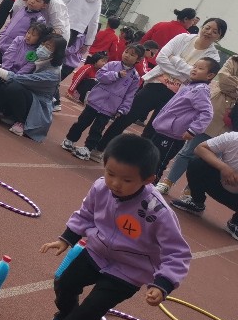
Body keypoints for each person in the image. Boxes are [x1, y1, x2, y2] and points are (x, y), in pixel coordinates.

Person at [35, 134, 191, 320]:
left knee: (93, 308)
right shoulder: (101, 187)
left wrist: (163, 284)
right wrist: (67, 238)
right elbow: (86, 213)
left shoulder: (157, 211)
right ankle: (67, 316)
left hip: (130, 271)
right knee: (64, 284)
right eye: (110, 173)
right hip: (97, 252)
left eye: (126, 180)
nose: (115, 184)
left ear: (148, 179)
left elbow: (177, 252)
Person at [97, 18, 227, 150]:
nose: (209, 32)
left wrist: (174, 59)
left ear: (219, 37)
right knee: (128, 115)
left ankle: (137, 159)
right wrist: (184, 72)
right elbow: (161, 58)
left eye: (215, 31)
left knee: (153, 130)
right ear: (202, 27)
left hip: (177, 95)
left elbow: (194, 75)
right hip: (156, 84)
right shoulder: (183, 38)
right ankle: (101, 146)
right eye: (207, 27)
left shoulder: (213, 57)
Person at [159, 54, 238, 198]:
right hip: (215, 111)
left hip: (234, 121)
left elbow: (228, 82)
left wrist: (233, 83)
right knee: (189, 150)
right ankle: (168, 181)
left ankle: (191, 190)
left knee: (214, 159)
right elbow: (223, 80)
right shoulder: (234, 59)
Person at [60, 44, 143, 160]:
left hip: (109, 108)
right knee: (82, 122)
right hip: (95, 101)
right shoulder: (112, 65)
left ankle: (87, 148)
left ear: (138, 59)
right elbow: (100, 76)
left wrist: (123, 108)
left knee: (97, 129)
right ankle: (70, 139)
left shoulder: (134, 77)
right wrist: (116, 75)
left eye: (132, 55)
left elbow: (130, 95)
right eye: (126, 52)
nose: (127, 56)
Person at [145, 58, 219, 183]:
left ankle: (151, 187)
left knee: (158, 162)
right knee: (150, 159)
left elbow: (207, 113)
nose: (195, 69)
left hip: (172, 135)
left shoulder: (201, 90)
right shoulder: (191, 85)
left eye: (200, 68)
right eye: (194, 66)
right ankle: (142, 182)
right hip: (163, 129)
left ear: (210, 75)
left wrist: (193, 130)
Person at [0, 34, 66, 139]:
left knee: (14, 87)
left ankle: (21, 122)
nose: (42, 48)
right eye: (43, 44)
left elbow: (21, 79)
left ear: (57, 52)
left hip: (38, 103)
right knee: (2, 82)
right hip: (27, 93)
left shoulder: (53, 74)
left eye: (48, 46)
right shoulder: (39, 60)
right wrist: (0, 68)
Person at [0, 22, 52, 112]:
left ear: (39, 39)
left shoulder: (36, 52)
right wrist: (6, 71)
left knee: (7, 87)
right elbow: (9, 55)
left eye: (33, 35)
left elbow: (27, 68)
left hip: (17, 76)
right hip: (6, 69)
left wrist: (12, 77)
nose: (29, 36)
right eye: (28, 32)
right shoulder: (19, 40)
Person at [174, 131, 238, 239]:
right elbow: (200, 148)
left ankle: (235, 223)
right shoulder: (232, 138)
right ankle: (197, 202)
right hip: (218, 183)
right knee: (197, 163)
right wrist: (224, 168)